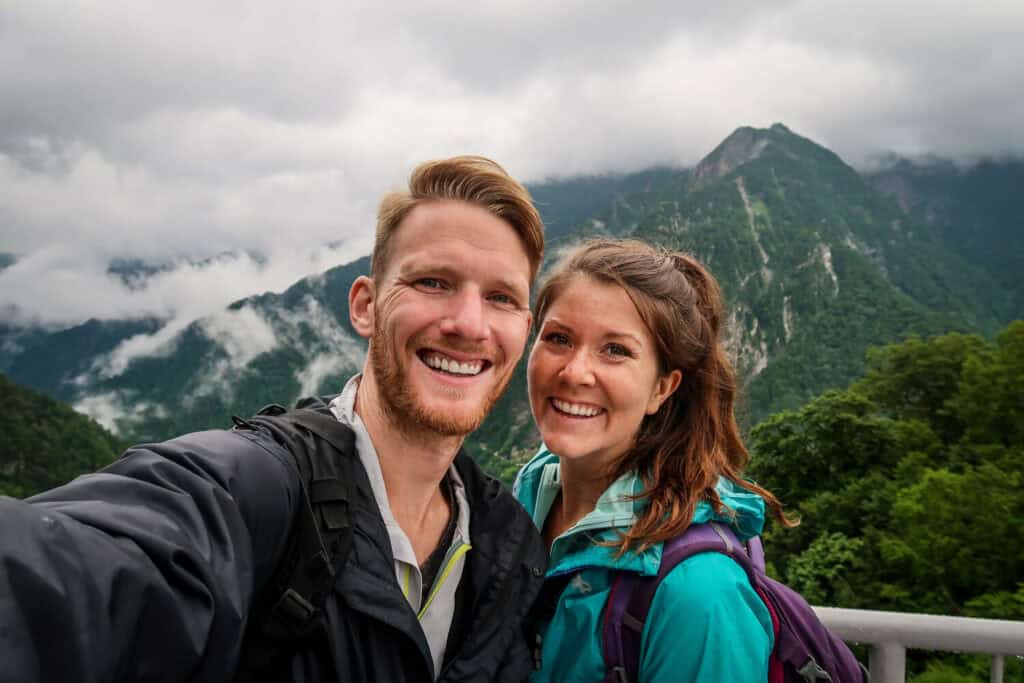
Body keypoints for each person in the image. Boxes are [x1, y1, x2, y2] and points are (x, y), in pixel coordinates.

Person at [0, 156, 548, 682]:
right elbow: (77, 577)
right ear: (365, 304)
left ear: (523, 330)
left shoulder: (509, 546)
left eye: (500, 297)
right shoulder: (258, 492)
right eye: (433, 282)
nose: (470, 323)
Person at [513, 238, 793, 682]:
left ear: (663, 388)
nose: (573, 372)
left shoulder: (699, 593)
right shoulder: (524, 503)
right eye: (559, 338)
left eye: (615, 350)